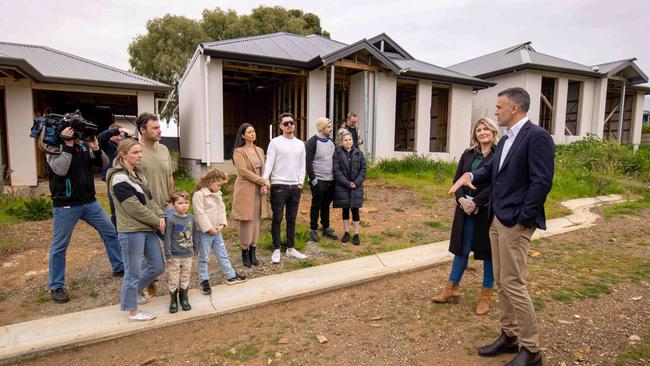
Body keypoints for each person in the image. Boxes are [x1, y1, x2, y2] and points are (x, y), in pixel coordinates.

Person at [450, 87, 554, 366]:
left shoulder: (537, 137)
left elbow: (541, 182)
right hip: (495, 219)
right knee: (501, 281)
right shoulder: (507, 139)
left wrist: (523, 218)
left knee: (514, 284)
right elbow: (490, 170)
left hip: (515, 223)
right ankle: (509, 336)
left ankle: (532, 350)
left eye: (499, 107)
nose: (495, 112)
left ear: (515, 109)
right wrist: (470, 174)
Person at [47, 125, 124, 304]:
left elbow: (103, 163)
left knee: (110, 232)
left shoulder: (82, 146)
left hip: (90, 202)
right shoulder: (53, 147)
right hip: (65, 205)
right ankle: (56, 286)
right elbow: (60, 169)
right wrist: (67, 145)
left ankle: (119, 267)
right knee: (59, 246)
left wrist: (96, 148)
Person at [432, 117, 500, 316]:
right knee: (461, 249)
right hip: (464, 211)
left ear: (493, 132)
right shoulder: (468, 154)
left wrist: (476, 202)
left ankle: (486, 296)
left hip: (486, 212)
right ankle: (451, 288)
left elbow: (497, 185)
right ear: (475, 134)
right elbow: (458, 179)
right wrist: (462, 200)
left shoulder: (499, 154)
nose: (482, 132)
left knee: (488, 254)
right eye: (479, 130)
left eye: (486, 129)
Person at [107, 139, 166, 321]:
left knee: (157, 265)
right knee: (132, 270)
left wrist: (161, 215)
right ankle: (133, 310)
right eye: (135, 153)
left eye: (140, 152)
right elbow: (133, 207)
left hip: (147, 227)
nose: (139, 155)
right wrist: (156, 221)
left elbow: (150, 201)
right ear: (123, 155)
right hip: (132, 230)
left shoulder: (139, 175)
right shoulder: (118, 177)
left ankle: (131, 295)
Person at [136, 112, 174, 299]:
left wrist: (172, 203)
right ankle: (144, 285)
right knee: (148, 255)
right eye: (155, 128)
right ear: (142, 130)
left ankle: (175, 284)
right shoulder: (136, 152)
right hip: (145, 211)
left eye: (159, 127)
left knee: (176, 244)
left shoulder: (164, 150)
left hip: (165, 208)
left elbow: (170, 177)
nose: (160, 130)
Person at [192, 168, 247, 296]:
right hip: (205, 232)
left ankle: (230, 275)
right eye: (219, 184)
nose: (219, 187)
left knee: (222, 253)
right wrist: (209, 228)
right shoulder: (199, 195)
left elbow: (222, 209)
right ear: (211, 181)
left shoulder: (218, 194)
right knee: (204, 258)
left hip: (217, 231)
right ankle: (204, 281)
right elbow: (200, 214)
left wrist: (222, 224)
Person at [263, 112, 308, 263]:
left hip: (295, 186)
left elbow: (303, 164)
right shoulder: (275, 142)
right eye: (286, 123)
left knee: (291, 219)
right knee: (277, 218)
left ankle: (290, 248)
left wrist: (301, 182)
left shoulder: (300, 144)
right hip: (278, 185)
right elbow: (269, 163)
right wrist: (265, 181)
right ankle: (276, 249)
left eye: (291, 123)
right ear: (281, 126)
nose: (289, 125)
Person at [231, 123, 267, 267]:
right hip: (246, 189)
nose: (252, 134)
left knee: (256, 221)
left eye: (253, 131)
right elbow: (243, 171)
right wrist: (262, 181)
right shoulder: (239, 151)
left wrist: (263, 185)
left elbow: (263, 171)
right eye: (249, 132)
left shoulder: (260, 150)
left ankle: (253, 251)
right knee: (247, 221)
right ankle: (245, 252)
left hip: (258, 189)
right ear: (243, 135)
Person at [164, 190, 198, 313]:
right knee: (174, 278)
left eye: (186, 202)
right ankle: (173, 300)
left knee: (185, 276)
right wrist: (168, 254)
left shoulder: (191, 218)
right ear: (173, 205)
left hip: (187, 254)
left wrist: (196, 248)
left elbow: (194, 233)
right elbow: (167, 238)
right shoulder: (171, 219)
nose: (184, 205)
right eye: (180, 203)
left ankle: (184, 298)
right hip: (174, 256)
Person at [305, 117, 338, 243]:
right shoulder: (312, 142)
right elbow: (308, 162)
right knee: (316, 204)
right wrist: (314, 180)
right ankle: (313, 229)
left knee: (326, 204)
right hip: (318, 180)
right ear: (322, 128)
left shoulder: (331, 142)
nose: (331, 129)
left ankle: (326, 228)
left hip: (331, 179)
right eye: (329, 127)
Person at [332, 130, 367, 245]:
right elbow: (336, 171)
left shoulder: (359, 153)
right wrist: (347, 183)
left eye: (350, 140)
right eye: (345, 140)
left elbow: (363, 169)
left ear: (353, 141)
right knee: (345, 209)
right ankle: (346, 232)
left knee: (355, 210)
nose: (348, 142)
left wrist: (356, 183)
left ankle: (356, 234)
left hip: (356, 187)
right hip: (343, 186)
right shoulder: (337, 153)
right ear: (342, 142)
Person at [98, 123, 135, 226]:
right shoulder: (106, 144)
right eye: (115, 135)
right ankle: (116, 230)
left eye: (119, 135)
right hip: (112, 179)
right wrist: (119, 130)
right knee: (115, 204)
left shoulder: (123, 146)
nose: (117, 137)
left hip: (127, 177)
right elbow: (101, 137)